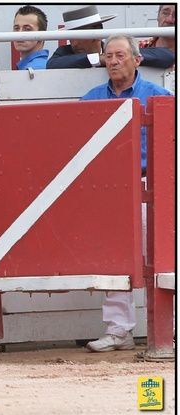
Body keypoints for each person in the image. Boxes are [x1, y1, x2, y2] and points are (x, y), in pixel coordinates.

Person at [79, 34, 173, 352]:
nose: (114, 61)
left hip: (152, 184)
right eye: (109, 56)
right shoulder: (90, 100)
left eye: (120, 55)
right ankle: (119, 330)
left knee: (163, 257)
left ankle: (166, 330)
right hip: (109, 189)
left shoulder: (161, 96)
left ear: (137, 59)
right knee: (115, 259)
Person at [47, 5, 175, 69]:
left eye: (80, 37)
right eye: (71, 37)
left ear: (97, 34)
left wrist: (123, 57)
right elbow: (52, 64)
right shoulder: (65, 52)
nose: (74, 44)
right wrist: (99, 59)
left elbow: (167, 56)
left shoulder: (119, 51)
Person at [12, 5, 49, 70]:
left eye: (27, 29)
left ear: (42, 35)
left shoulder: (36, 68)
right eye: (16, 28)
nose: (19, 34)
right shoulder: (35, 65)